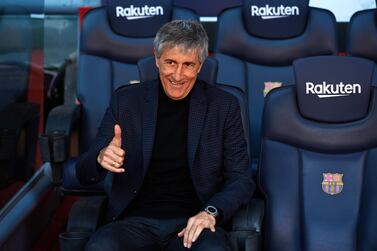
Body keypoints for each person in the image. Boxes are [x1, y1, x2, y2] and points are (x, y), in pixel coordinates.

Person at [76, 19, 255, 251]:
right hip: (133, 221)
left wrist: (210, 213)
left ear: (200, 65)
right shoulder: (127, 101)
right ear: (157, 58)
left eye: (188, 65)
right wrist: (100, 158)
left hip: (194, 223)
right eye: (170, 62)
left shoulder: (224, 106)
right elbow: (83, 172)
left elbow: (241, 179)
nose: (178, 75)